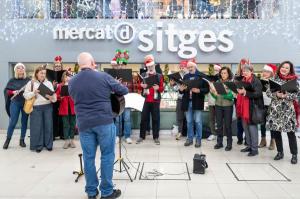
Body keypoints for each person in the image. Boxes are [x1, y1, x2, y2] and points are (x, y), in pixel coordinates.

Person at [69, 52, 128, 199]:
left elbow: (73, 97)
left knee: (88, 158)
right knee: (107, 155)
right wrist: (112, 86)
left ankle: (91, 191)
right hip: (104, 122)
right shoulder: (103, 76)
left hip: (83, 124)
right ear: (93, 62)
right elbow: (124, 90)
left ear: (79, 65)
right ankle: (107, 192)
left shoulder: (72, 81)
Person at [266, 61, 299, 164]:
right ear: (280, 68)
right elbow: (268, 92)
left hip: (288, 111)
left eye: (287, 68)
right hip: (275, 110)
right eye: (283, 67)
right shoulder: (273, 79)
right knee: (276, 132)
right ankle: (280, 152)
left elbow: (297, 95)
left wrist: (286, 96)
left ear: (290, 70)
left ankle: (294, 155)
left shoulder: (294, 81)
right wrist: (276, 95)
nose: (284, 69)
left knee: (291, 133)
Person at [23, 66, 57, 153]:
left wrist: (51, 97)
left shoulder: (49, 83)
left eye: (44, 73)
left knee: (48, 126)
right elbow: (25, 95)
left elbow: (54, 98)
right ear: (37, 73)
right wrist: (33, 93)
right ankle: (38, 145)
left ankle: (49, 145)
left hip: (48, 107)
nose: (43, 75)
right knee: (37, 127)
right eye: (41, 73)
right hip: (36, 107)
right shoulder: (31, 83)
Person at [179, 59, 209, 148]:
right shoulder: (185, 77)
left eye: (191, 67)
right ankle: (190, 139)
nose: (190, 68)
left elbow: (207, 89)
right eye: (188, 67)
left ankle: (198, 140)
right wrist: (181, 90)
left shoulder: (201, 76)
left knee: (198, 122)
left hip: (197, 102)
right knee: (189, 122)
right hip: (187, 102)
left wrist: (199, 90)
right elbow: (182, 91)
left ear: (195, 66)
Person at [236, 64, 264, 156]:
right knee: (246, 128)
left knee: (252, 129)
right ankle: (249, 145)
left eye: (247, 71)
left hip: (252, 108)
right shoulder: (242, 81)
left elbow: (258, 94)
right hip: (243, 108)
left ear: (251, 72)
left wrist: (245, 93)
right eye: (243, 71)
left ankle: (254, 149)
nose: (244, 73)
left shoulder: (256, 81)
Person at [136, 55, 164, 145]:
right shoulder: (143, 75)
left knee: (156, 119)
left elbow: (162, 89)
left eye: (152, 66)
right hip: (145, 100)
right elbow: (138, 88)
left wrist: (158, 88)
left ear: (154, 66)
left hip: (155, 101)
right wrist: (141, 86)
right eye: (149, 66)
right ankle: (141, 136)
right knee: (143, 119)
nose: (150, 67)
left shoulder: (159, 76)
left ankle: (156, 137)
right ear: (147, 67)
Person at [3, 63, 31, 149]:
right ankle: (8, 140)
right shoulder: (12, 80)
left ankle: (22, 139)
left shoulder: (28, 80)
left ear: (24, 70)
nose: (20, 69)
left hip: (25, 103)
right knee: (13, 121)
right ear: (16, 70)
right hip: (15, 102)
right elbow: (6, 91)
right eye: (18, 68)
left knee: (24, 122)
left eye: (22, 68)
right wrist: (13, 92)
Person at [111, 50, 133, 144]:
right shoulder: (114, 77)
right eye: (120, 65)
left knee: (127, 119)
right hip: (118, 101)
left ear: (125, 65)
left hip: (127, 100)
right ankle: (117, 136)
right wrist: (116, 83)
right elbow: (111, 89)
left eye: (123, 65)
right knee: (117, 120)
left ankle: (127, 136)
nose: (121, 66)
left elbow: (133, 88)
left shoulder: (130, 76)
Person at [210, 66, 235, 151]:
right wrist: (213, 93)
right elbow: (215, 97)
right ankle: (219, 143)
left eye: (225, 73)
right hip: (218, 105)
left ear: (228, 74)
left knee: (228, 125)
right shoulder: (217, 82)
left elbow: (231, 96)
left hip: (228, 106)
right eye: (222, 73)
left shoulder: (231, 83)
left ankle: (229, 143)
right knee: (219, 125)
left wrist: (222, 93)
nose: (223, 75)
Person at [55, 71, 76, 149]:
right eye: (65, 76)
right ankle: (67, 140)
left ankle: (72, 140)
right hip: (64, 108)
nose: (67, 78)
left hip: (73, 108)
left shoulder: (74, 85)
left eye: (69, 76)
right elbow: (56, 96)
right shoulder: (60, 86)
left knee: (73, 124)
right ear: (63, 77)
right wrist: (60, 97)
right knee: (66, 125)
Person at [259, 64, 277, 150]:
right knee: (262, 123)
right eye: (264, 71)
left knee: (271, 123)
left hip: (271, 105)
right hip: (262, 105)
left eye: (267, 72)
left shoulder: (274, 82)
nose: (265, 73)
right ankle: (263, 139)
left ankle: (273, 141)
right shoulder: (259, 81)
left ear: (271, 73)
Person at [169, 60, 188, 140]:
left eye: (183, 66)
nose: (181, 68)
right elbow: (175, 89)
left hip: (188, 99)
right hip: (180, 99)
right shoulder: (177, 76)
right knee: (179, 117)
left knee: (189, 117)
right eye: (180, 67)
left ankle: (189, 133)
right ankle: (180, 132)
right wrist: (173, 85)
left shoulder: (189, 75)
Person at [206, 64, 221, 141]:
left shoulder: (221, 80)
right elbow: (206, 91)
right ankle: (213, 133)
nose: (216, 72)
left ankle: (220, 134)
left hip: (219, 102)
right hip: (211, 102)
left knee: (219, 119)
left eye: (217, 70)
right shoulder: (210, 80)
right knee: (211, 119)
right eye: (214, 70)